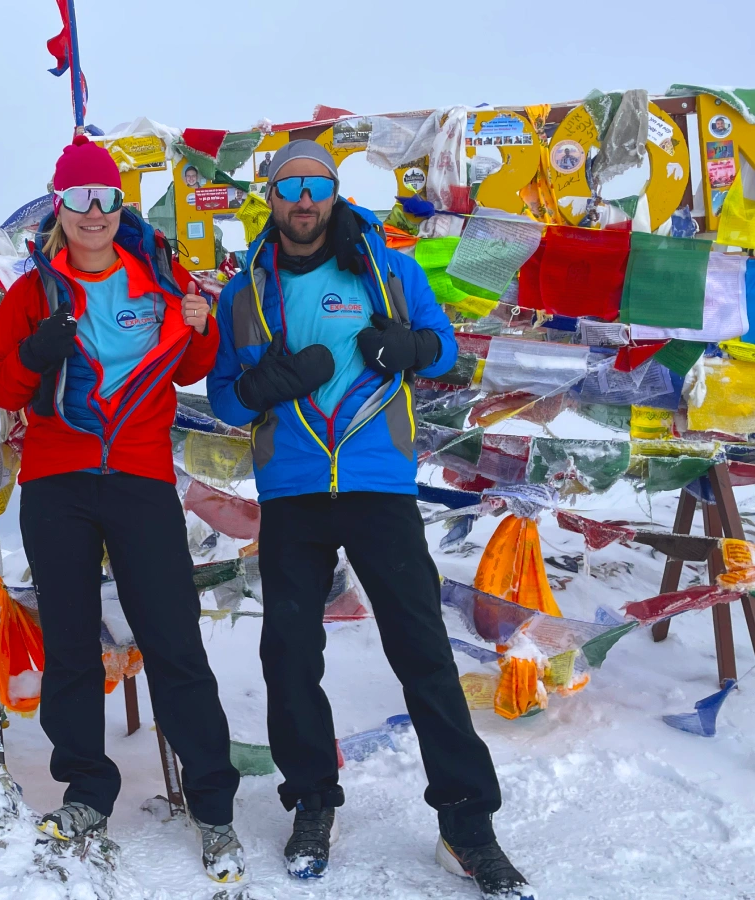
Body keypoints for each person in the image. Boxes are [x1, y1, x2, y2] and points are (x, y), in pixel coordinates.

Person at [207, 140, 535, 900]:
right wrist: (269, 383)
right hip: (291, 488)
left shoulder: (388, 268)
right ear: (271, 197)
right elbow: (224, 398)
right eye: (288, 187)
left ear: (332, 193)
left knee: (421, 650)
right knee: (288, 654)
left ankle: (467, 824)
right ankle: (313, 802)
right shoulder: (244, 291)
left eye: (315, 186)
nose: (303, 199)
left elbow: (443, 349)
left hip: (377, 481)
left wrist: (407, 346)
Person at [0, 136, 244, 884]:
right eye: (78, 199)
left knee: (172, 641)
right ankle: (87, 793)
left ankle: (213, 805)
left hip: (138, 478)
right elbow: (3, 389)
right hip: (56, 482)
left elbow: (191, 362)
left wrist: (201, 322)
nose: (93, 214)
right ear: (57, 206)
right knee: (69, 642)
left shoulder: (159, 271)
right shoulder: (31, 291)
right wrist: (36, 353)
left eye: (105, 198)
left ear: (119, 204)